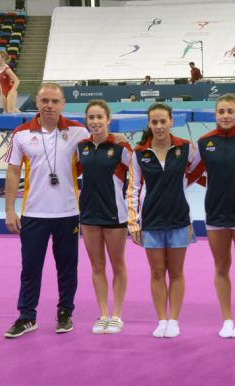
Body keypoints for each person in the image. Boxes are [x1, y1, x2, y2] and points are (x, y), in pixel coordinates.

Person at [3, 83, 90, 338]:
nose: (49, 105)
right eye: (44, 101)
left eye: (54, 101)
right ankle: (27, 316)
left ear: (63, 104)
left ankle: (65, 312)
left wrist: (115, 139)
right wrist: (10, 210)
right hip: (33, 213)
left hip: (68, 212)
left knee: (67, 267)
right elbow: (13, 172)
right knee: (30, 268)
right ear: (37, 103)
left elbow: (97, 149)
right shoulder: (20, 133)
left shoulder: (78, 131)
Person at [127, 103, 199, 338]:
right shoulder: (139, 153)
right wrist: (134, 223)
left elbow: (199, 171)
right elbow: (133, 189)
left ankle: (174, 321)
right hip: (151, 220)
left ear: (171, 122)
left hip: (180, 219)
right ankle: (161, 320)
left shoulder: (186, 148)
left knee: (176, 271)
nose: (158, 126)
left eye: (162, 121)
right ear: (149, 124)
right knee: (157, 272)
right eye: (154, 122)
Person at [191, 95, 235, 338]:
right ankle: (227, 318)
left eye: (230, 111)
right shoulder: (204, 142)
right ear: (215, 115)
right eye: (221, 112)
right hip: (215, 212)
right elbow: (190, 173)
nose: (226, 115)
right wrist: (215, 184)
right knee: (221, 267)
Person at [77, 100, 132, 334]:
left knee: (117, 264)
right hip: (88, 213)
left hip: (115, 213)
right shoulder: (81, 147)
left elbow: (140, 174)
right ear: (86, 121)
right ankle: (103, 314)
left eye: (100, 117)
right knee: (97, 265)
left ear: (108, 119)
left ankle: (117, 315)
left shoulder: (121, 148)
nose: (96, 122)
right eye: (91, 118)